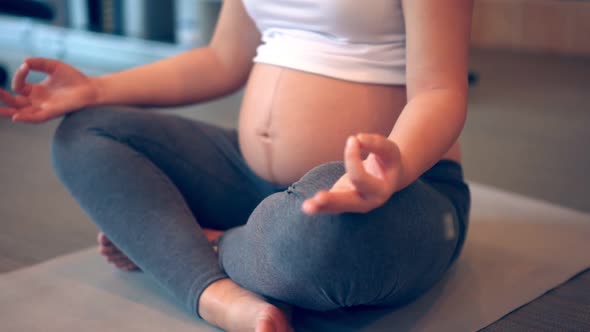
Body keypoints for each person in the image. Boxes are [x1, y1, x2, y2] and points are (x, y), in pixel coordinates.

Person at [0, 1, 473, 331]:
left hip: (394, 195)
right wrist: (95, 90)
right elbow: (223, 59)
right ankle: (218, 295)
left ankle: (198, 244)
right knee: (87, 133)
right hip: (255, 183)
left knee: (329, 238)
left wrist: (396, 168)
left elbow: (440, 91)